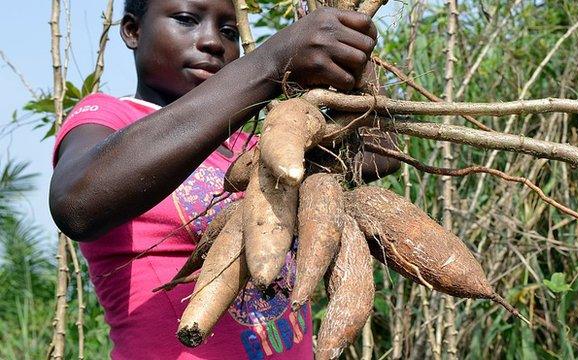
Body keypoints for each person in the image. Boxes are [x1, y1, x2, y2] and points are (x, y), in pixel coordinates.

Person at [49, 0, 398, 359]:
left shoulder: (253, 145)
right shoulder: (111, 118)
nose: (213, 42)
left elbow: (380, 154)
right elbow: (76, 204)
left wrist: (351, 42)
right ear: (132, 30)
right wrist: (269, 63)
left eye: (229, 31)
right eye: (187, 20)